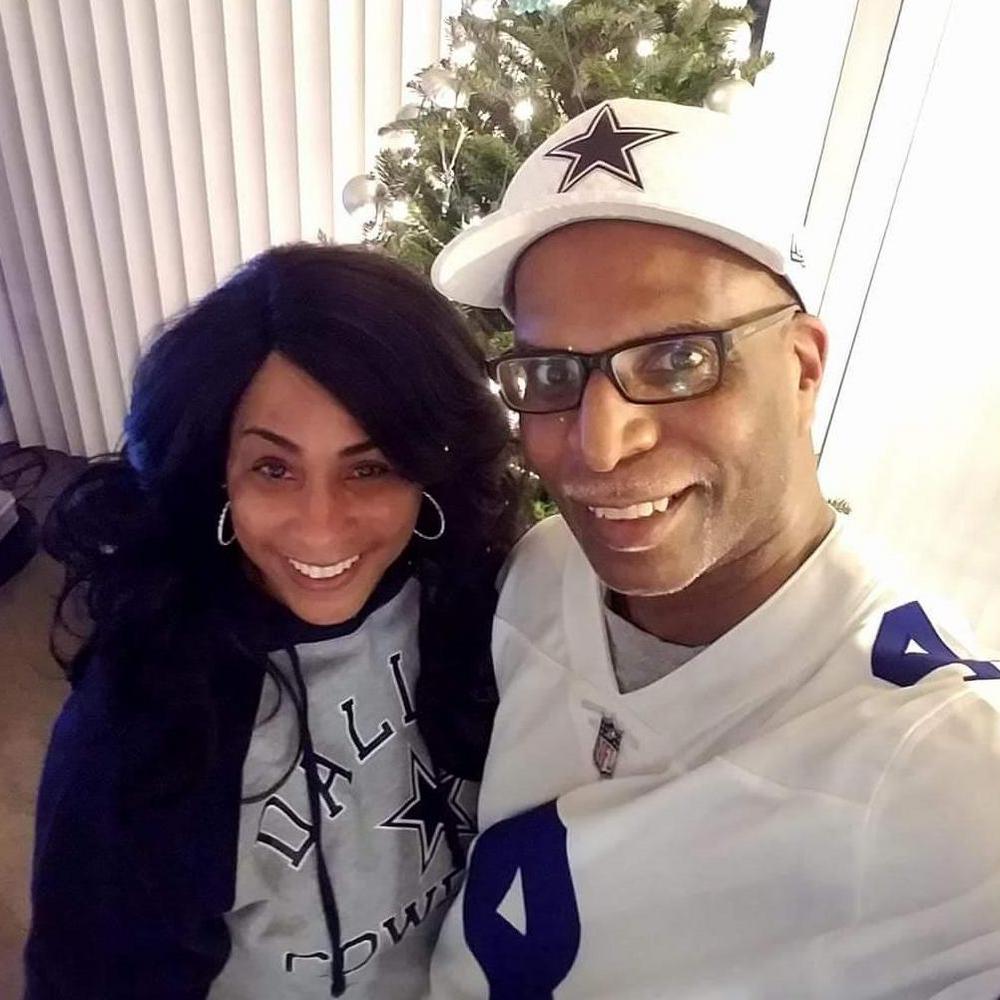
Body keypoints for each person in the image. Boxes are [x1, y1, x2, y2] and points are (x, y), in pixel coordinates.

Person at [425, 98, 1000, 998]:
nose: (600, 445)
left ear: (802, 368)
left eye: (678, 360)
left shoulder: (938, 762)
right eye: (552, 373)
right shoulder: (544, 569)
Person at [25, 244, 522, 999]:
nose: (321, 528)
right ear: (217, 472)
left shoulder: (480, 597)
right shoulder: (142, 717)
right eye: (273, 468)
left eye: (370, 467)